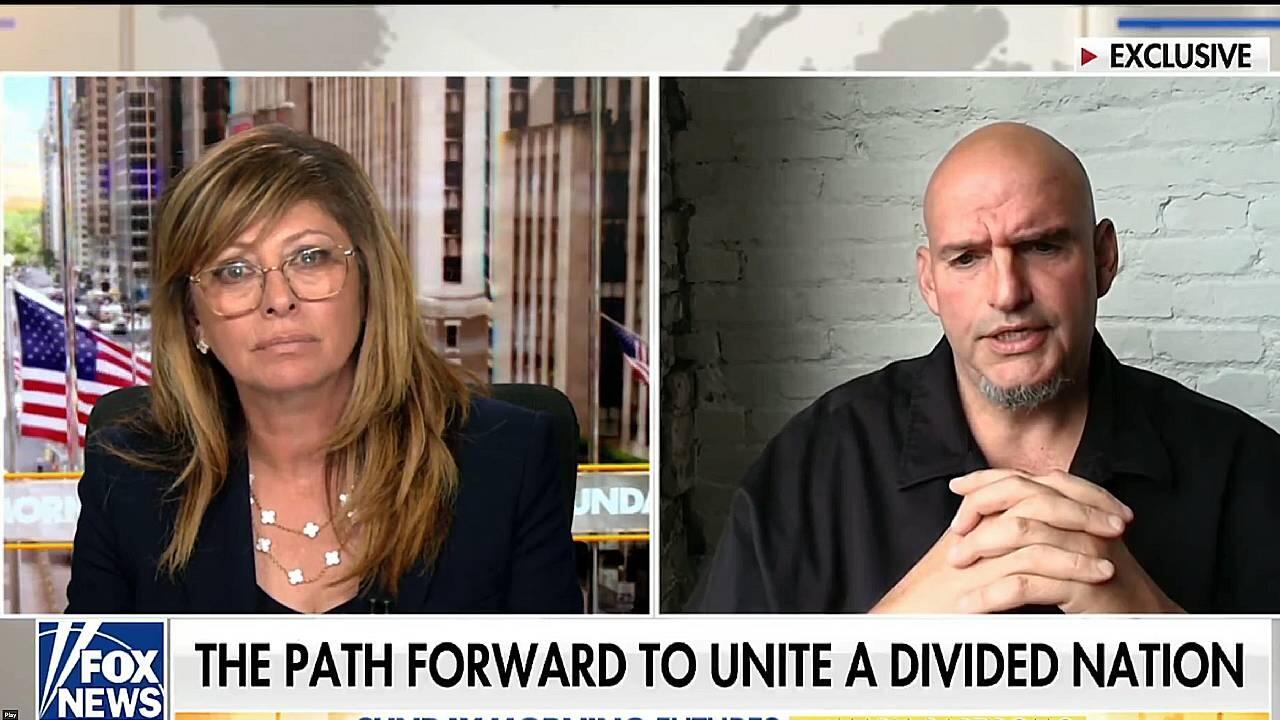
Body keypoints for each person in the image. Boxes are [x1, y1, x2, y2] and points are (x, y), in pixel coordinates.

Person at [692, 122, 1280, 614]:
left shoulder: (1246, 471)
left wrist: (1168, 636)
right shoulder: (813, 467)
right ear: (929, 281)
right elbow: (702, 694)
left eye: (1042, 247)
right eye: (968, 258)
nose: (1007, 293)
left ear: (1104, 259)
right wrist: (883, 641)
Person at [66, 125, 583, 614]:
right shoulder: (128, 480)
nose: (278, 299)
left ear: (368, 282)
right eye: (234, 271)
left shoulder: (506, 462)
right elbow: (86, 676)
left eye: (310, 258)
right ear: (193, 316)